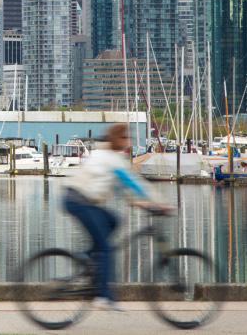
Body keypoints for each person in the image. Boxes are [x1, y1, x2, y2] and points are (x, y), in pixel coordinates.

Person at [63, 123, 170, 311]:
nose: (129, 141)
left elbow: (122, 188)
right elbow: (134, 184)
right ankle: (103, 297)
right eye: (125, 137)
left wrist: (141, 203)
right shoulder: (113, 159)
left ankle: (88, 257)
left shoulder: (105, 156)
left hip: (80, 199)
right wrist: (159, 203)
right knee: (106, 248)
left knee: (114, 220)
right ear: (117, 140)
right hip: (79, 201)